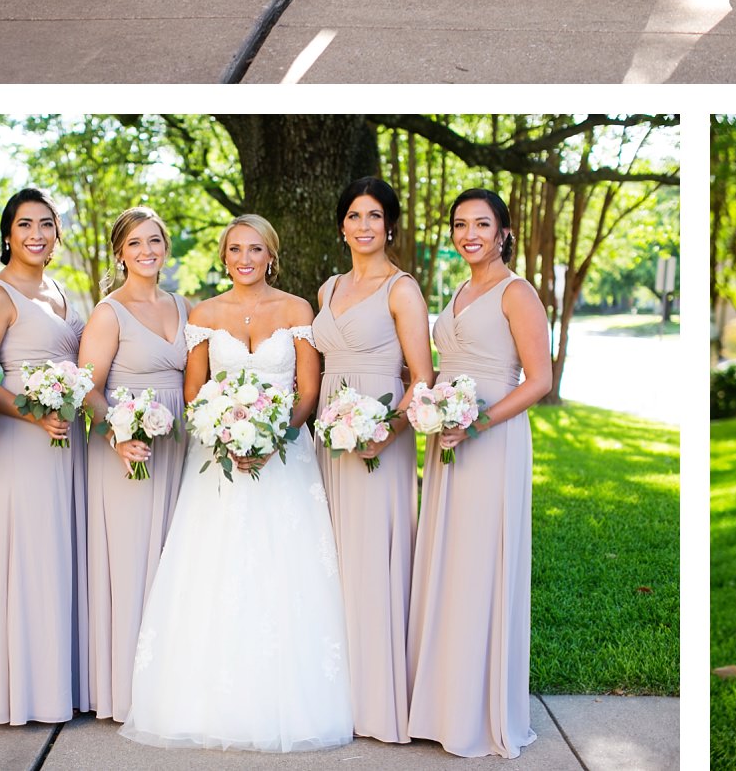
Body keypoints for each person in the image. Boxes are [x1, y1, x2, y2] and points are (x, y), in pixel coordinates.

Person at [124, 215, 352, 751]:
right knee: (214, 572)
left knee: (286, 574)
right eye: (234, 250)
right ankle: (206, 702)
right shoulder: (203, 315)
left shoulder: (298, 310)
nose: (244, 259)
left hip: (286, 462)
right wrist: (223, 435)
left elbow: (308, 392)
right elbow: (195, 390)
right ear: (223, 256)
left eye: (254, 249)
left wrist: (275, 437)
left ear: (271, 255)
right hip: (216, 464)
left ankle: (292, 701)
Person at [406, 189, 553, 759]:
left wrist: (479, 424)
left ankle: (479, 709)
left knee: (480, 563)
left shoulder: (518, 293)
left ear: (503, 232)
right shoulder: (462, 290)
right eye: (460, 224)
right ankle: (444, 704)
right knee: (448, 561)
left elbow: (538, 380)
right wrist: (429, 401)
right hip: (450, 437)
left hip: (490, 441)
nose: (470, 234)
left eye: (482, 224)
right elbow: (449, 363)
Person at [312, 177, 435, 744]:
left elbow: (423, 378)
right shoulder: (327, 289)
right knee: (329, 562)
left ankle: (379, 702)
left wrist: (388, 431)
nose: (364, 226)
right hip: (327, 444)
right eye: (355, 216)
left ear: (390, 226)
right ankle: (331, 692)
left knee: (370, 561)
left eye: (375, 216)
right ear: (342, 225)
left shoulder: (401, 289)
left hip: (377, 440)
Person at [0, 187, 89, 725]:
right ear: (8, 235)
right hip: (23, 442)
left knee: (60, 555)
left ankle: (60, 681)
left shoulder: (60, 291)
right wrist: (33, 414)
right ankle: (21, 691)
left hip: (67, 441)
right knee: (28, 557)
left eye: (46, 224)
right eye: (25, 225)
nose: (37, 234)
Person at [77, 205, 188, 724]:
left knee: (173, 564)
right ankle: (126, 692)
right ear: (120, 253)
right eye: (136, 243)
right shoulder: (109, 312)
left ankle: (170, 685)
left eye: (155, 241)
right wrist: (119, 436)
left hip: (179, 449)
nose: (148, 251)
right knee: (131, 565)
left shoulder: (183, 306)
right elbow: (89, 391)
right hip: (129, 454)